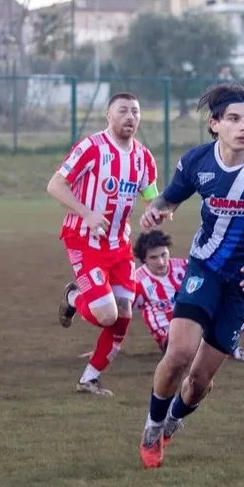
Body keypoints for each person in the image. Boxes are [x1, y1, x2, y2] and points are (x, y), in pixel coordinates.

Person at [135, 80, 244, 469]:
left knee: (198, 382)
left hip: (243, 285)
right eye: (234, 119)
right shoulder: (197, 162)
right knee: (178, 352)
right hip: (205, 267)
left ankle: (175, 418)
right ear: (215, 124)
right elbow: (171, 197)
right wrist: (158, 209)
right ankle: (152, 425)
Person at [48, 92, 158, 397]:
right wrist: (86, 212)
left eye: (135, 112)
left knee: (123, 314)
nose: (130, 117)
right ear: (108, 116)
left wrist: (157, 211)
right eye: (122, 111)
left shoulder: (143, 157)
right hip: (83, 240)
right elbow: (55, 185)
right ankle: (73, 297)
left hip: (119, 246)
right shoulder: (91, 148)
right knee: (107, 315)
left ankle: (90, 379)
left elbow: (151, 196)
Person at [132, 229, 244, 361]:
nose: (161, 261)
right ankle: (238, 353)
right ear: (144, 259)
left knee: (233, 305)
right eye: (154, 258)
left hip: (196, 324)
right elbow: (123, 313)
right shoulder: (138, 281)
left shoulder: (183, 266)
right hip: (170, 339)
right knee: (203, 319)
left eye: (163, 254)